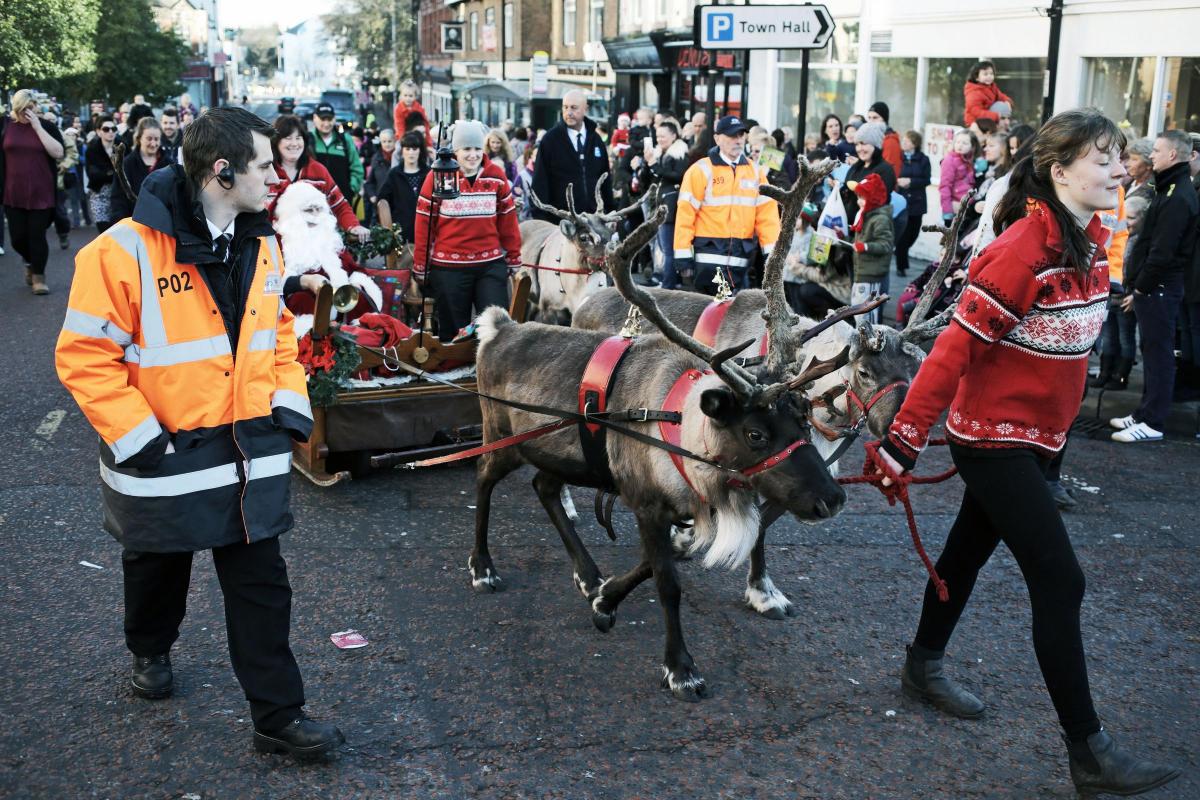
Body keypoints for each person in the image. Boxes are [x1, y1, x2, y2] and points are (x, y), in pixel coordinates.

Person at [872, 109, 1180, 798]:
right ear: (1060, 171)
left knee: (964, 554)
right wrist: (902, 440)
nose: (1118, 170)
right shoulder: (1021, 250)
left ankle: (922, 665)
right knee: (1061, 580)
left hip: (1036, 443)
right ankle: (1089, 752)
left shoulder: (1091, 243)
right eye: (1103, 160)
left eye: (1120, 158)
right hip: (992, 441)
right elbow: (952, 352)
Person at [54, 106, 345, 759]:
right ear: (222, 171)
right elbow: (82, 356)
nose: (277, 176)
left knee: (262, 583)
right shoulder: (120, 252)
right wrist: (138, 438)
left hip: (247, 450)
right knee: (158, 567)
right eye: (265, 166)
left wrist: (290, 401)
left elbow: (277, 339)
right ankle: (150, 648)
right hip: (165, 454)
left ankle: (277, 716)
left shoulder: (264, 243)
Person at [1111, 129, 1199, 443]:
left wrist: (1141, 288)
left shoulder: (1178, 195)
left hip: (1161, 286)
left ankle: (1153, 421)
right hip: (1155, 285)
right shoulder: (1169, 188)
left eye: (1157, 151)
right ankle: (1144, 412)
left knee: (1159, 354)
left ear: (1173, 155)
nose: (1152, 156)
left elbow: (1163, 251)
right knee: (1151, 350)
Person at [412, 120, 521, 338]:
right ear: (455, 151)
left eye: (478, 149)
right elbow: (424, 223)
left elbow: (507, 221)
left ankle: (491, 369)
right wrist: (421, 264)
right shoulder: (438, 177)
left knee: (496, 327)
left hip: (489, 263)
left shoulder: (496, 176)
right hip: (449, 266)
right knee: (453, 328)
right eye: (467, 149)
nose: (473, 155)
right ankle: (453, 370)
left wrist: (513, 257)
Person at [674, 115, 780, 295]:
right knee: (709, 314)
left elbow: (767, 217)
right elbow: (685, 214)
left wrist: (773, 255)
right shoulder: (701, 170)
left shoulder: (756, 172)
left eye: (740, 135)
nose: (737, 140)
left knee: (729, 316)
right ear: (717, 139)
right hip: (708, 256)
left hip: (740, 258)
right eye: (732, 136)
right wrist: (683, 256)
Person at [0, 89, 65, 295]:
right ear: (16, 108)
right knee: (17, 238)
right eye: (23, 109)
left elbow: (58, 152)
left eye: (30, 108)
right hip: (13, 192)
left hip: (41, 192)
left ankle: (39, 277)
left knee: (37, 235)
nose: (27, 113)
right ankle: (29, 262)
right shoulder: (6, 127)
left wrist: (38, 127)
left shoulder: (46, 126)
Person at [269, 115, 369, 242]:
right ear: (276, 141)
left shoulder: (317, 170)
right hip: (274, 249)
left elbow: (339, 205)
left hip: (314, 248)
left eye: (298, 138)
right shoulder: (268, 171)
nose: (294, 143)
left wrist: (353, 226)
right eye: (288, 138)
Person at [530, 90, 613, 222]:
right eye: (565, 107)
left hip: (593, 220)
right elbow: (540, 181)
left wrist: (609, 213)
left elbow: (605, 180)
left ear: (585, 109)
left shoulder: (596, 140)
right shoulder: (550, 140)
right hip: (560, 221)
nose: (568, 112)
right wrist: (540, 218)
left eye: (574, 108)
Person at [1092, 193, 1148, 391]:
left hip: (1126, 299)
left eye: (1133, 218)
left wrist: (1134, 294)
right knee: (1109, 336)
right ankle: (1105, 372)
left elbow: (1141, 271)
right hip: (1110, 296)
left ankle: (1120, 376)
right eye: (1127, 217)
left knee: (1126, 337)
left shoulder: (1141, 242)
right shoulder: (1116, 238)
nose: (1128, 222)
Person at [639, 120, 689, 289]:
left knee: (668, 249)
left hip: (672, 207)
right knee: (663, 247)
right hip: (660, 206)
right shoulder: (659, 154)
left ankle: (668, 284)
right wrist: (647, 164)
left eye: (663, 136)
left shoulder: (680, 153)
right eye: (657, 136)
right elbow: (648, 180)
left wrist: (654, 164)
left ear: (674, 136)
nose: (659, 139)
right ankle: (667, 281)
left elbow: (677, 175)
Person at [842, 172, 893, 324]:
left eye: (862, 198)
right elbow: (858, 241)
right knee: (859, 313)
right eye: (858, 197)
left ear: (873, 198)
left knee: (868, 316)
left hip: (871, 274)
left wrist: (864, 246)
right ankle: (863, 343)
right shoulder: (866, 215)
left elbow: (886, 245)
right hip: (862, 271)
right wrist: (843, 237)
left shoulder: (880, 219)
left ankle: (872, 345)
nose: (859, 202)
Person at [377, 131, 430, 246]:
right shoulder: (394, 174)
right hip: (401, 235)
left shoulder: (429, 173)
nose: (411, 152)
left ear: (420, 151)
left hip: (426, 232)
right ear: (402, 151)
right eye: (407, 149)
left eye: (414, 149)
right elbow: (382, 201)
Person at [110, 117, 168, 222]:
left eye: (156, 139)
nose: (153, 143)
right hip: (134, 226)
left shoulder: (169, 164)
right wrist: (122, 224)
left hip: (163, 227)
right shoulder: (127, 164)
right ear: (139, 138)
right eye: (149, 138)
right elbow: (118, 199)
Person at [309, 103, 364, 209]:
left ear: (334, 119)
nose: (326, 123)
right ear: (315, 118)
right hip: (313, 202)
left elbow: (356, 168)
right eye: (322, 119)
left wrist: (350, 190)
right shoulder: (308, 139)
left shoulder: (345, 140)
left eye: (329, 119)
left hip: (341, 202)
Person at [895, 130, 931, 277]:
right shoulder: (899, 158)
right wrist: (898, 182)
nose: (903, 143)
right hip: (902, 201)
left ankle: (900, 251)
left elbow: (927, 180)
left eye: (907, 140)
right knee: (903, 234)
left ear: (915, 143)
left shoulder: (923, 159)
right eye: (903, 140)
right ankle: (901, 265)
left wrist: (910, 182)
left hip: (917, 201)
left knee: (914, 233)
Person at [85, 115, 119, 234]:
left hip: (120, 195)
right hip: (99, 194)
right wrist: (113, 173)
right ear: (98, 131)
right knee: (105, 233)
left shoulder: (123, 146)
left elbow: (127, 171)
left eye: (113, 129)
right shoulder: (92, 149)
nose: (110, 132)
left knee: (119, 233)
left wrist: (107, 173)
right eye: (106, 129)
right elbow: (93, 175)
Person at [939, 130, 978, 224]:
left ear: (972, 147)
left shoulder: (971, 160)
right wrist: (947, 212)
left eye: (965, 143)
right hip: (954, 208)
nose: (960, 145)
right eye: (957, 142)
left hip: (967, 206)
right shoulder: (949, 160)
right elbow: (945, 186)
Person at [962, 60, 1013, 129]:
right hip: (974, 121)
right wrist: (995, 116)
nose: (989, 76)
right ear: (977, 77)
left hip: (988, 119)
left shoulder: (992, 87)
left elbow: (1001, 96)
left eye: (991, 74)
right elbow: (976, 112)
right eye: (985, 74)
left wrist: (1007, 101)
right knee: (978, 133)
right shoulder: (973, 92)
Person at [362, 128, 395, 227]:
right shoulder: (376, 158)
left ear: (394, 141)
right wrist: (372, 195)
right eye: (384, 141)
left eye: (389, 141)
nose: (387, 144)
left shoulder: (399, 158)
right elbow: (369, 182)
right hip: (380, 202)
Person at [865, 102, 903, 179]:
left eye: (875, 118)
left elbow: (891, 172)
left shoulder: (890, 141)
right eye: (869, 118)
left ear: (884, 120)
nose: (871, 121)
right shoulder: (871, 137)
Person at [391, 81, 432, 148]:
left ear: (415, 96)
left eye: (410, 96)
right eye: (405, 95)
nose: (408, 98)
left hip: (417, 135)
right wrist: (404, 141)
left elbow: (426, 125)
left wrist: (428, 144)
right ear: (401, 95)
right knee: (398, 148)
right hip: (403, 136)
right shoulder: (398, 109)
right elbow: (399, 126)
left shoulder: (419, 108)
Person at [1122, 137, 1155, 205]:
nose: (1127, 164)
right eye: (1129, 158)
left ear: (1148, 164)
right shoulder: (1127, 183)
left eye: (1134, 159)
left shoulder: (1152, 191)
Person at [513, 144, 537, 222]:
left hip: (547, 218)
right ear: (531, 157)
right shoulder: (523, 175)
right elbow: (515, 196)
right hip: (528, 218)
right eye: (537, 155)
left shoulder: (550, 172)